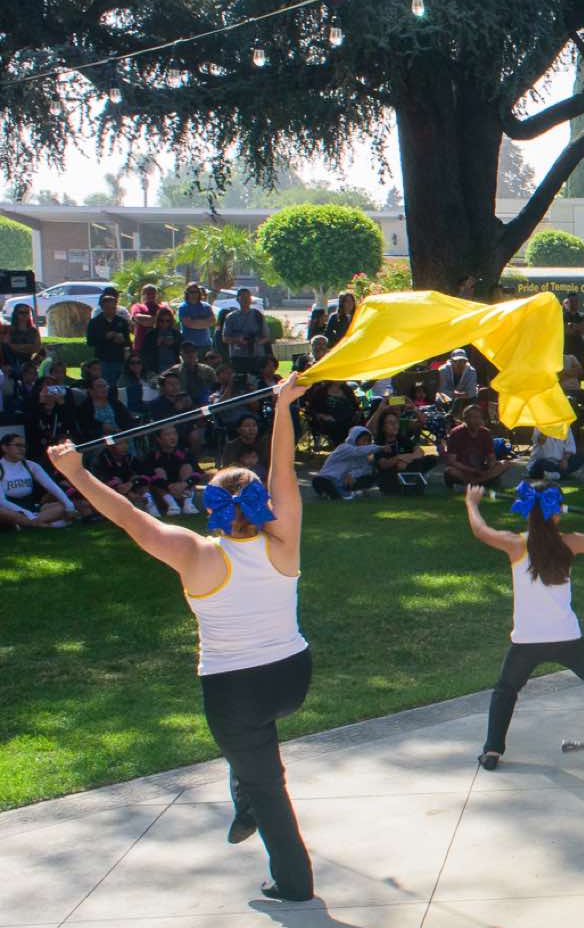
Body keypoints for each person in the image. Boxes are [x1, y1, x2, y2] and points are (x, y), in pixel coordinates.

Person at [46, 376, 316, 900]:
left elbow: (128, 516)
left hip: (234, 691)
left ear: (211, 505)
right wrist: (283, 406)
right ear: (261, 503)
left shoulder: (194, 553)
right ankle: (247, 786)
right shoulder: (284, 540)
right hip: (292, 678)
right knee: (253, 748)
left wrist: (75, 473)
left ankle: (293, 881)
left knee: (264, 781)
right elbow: (282, 469)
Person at [464, 482, 584, 770]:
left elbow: (481, 531)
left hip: (526, 641)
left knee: (505, 690)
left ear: (528, 511)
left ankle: (492, 750)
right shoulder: (570, 542)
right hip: (566, 638)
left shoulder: (515, 544)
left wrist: (472, 503)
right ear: (557, 512)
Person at [0, 432, 74, 528]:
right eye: (18, 445)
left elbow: (51, 486)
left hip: (31, 507)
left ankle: (24, 524)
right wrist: (27, 514)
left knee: (62, 506)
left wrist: (69, 506)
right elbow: (2, 501)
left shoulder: (30, 465)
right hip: (9, 509)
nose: (22, 449)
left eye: (24, 446)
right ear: (4, 448)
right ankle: (47, 524)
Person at [439, 403, 513, 489]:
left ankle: (475, 482)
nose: (476, 420)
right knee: (450, 471)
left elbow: (491, 457)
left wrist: (490, 468)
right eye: (473, 417)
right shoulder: (456, 433)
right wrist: (473, 470)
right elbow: (452, 461)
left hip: (480, 468)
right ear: (465, 419)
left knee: (505, 463)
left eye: (478, 417)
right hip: (463, 470)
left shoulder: (485, 433)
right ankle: (484, 481)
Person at [311, 425, 377, 500]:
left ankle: (333, 493)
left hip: (346, 480)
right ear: (354, 438)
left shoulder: (364, 455)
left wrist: (352, 475)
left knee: (369, 476)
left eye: (368, 441)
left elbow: (365, 469)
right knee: (324, 481)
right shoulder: (345, 448)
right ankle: (334, 492)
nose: (366, 443)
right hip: (330, 478)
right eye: (364, 440)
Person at [222, 290, 271, 377]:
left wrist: (256, 342)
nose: (246, 299)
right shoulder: (231, 317)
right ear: (237, 299)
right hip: (238, 356)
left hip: (257, 356)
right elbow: (225, 338)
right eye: (243, 297)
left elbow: (267, 336)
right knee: (240, 380)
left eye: (248, 297)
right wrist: (238, 340)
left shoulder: (257, 315)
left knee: (258, 380)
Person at [86, 288, 134, 369]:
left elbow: (128, 342)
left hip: (119, 359)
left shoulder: (121, 321)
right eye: (108, 308)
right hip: (102, 359)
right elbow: (90, 342)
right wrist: (105, 336)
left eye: (113, 308)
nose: (111, 311)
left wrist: (123, 341)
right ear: (102, 307)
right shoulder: (95, 322)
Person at [177, 282, 217, 350]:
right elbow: (189, 324)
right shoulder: (183, 307)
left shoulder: (206, 306)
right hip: (189, 346)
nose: (194, 294)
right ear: (187, 293)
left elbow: (212, 321)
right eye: (191, 292)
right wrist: (205, 322)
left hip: (206, 344)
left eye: (196, 292)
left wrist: (195, 321)